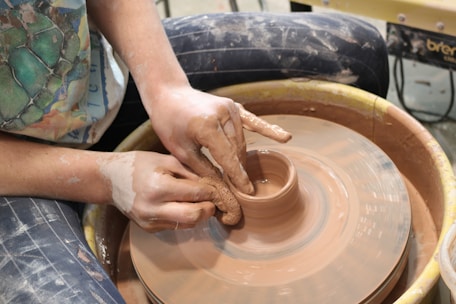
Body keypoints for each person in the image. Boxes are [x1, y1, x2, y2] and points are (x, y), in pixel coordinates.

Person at [0, 0, 389, 302]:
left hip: (90, 76)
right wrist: (102, 177)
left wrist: (166, 87)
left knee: (358, 56)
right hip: (16, 167)